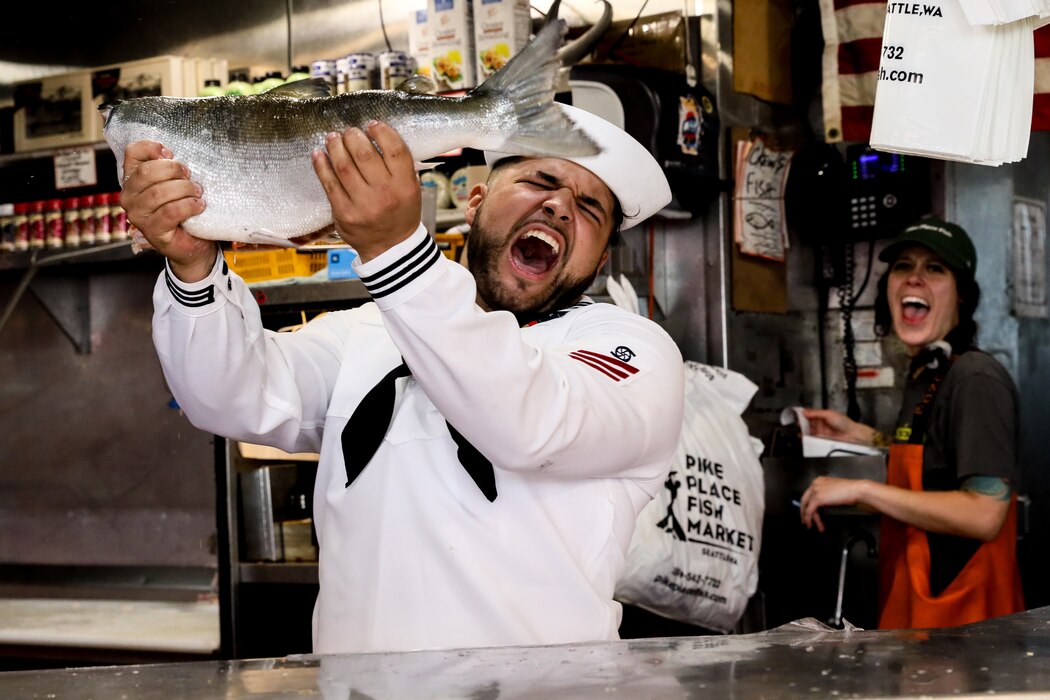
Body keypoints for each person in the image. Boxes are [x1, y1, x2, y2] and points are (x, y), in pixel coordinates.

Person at [119, 104, 685, 653]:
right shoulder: (366, 330)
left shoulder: (633, 350)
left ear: (601, 259)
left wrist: (396, 251)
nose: (560, 206)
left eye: (590, 209)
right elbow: (230, 399)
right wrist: (193, 268)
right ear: (475, 202)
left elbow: (530, 423)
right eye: (540, 180)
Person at [798, 216, 1024, 629]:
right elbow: (934, 460)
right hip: (918, 618)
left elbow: (985, 514)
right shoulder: (929, 372)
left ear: (961, 297)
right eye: (903, 266)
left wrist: (862, 488)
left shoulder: (975, 378)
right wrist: (862, 435)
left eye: (934, 269)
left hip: (967, 624)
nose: (914, 279)